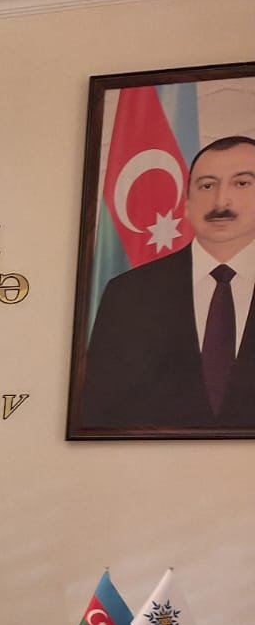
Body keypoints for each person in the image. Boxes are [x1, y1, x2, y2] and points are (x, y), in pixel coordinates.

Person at [79, 135, 255, 431]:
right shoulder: (128, 293)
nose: (220, 201)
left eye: (242, 183)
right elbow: (99, 413)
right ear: (186, 204)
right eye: (207, 185)